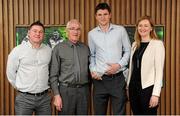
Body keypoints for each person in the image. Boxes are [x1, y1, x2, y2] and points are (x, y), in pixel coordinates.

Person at [88, 2, 131, 115]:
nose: (103, 17)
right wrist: (93, 69)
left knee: (119, 113)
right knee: (99, 113)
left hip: (117, 79)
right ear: (96, 16)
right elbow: (92, 55)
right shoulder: (91, 34)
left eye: (105, 14)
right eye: (100, 14)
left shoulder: (120, 30)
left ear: (110, 15)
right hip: (100, 80)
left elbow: (128, 50)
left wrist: (119, 65)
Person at [6, 21, 52, 115]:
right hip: (24, 98)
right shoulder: (18, 50)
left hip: (44, 98)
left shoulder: (48, 50)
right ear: (29, 33)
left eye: (40, 32)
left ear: (43, 34)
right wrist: (20, 87)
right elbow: (10, 73)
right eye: (35, 31)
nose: (37, 34)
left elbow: (51, 70)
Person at [49, 19, 90, 115]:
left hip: (83, 91)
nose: (75, 32)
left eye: (78, 29)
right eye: (72, 29)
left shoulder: (85, 48)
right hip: (65, 92)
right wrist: (56, 95)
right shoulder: (58, 48)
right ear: (67, 31)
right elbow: (53, 75)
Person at [126, 15, 165, 115]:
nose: (142, 28)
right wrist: (128, 86)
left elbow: (159, 71)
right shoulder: (135, 44)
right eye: (140, 25)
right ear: (137, 27)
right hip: (133, 89)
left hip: (148, 89)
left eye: (146, 26)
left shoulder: (157, 44)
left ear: (151, 28)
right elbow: (132, 68)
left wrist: (156, 94)